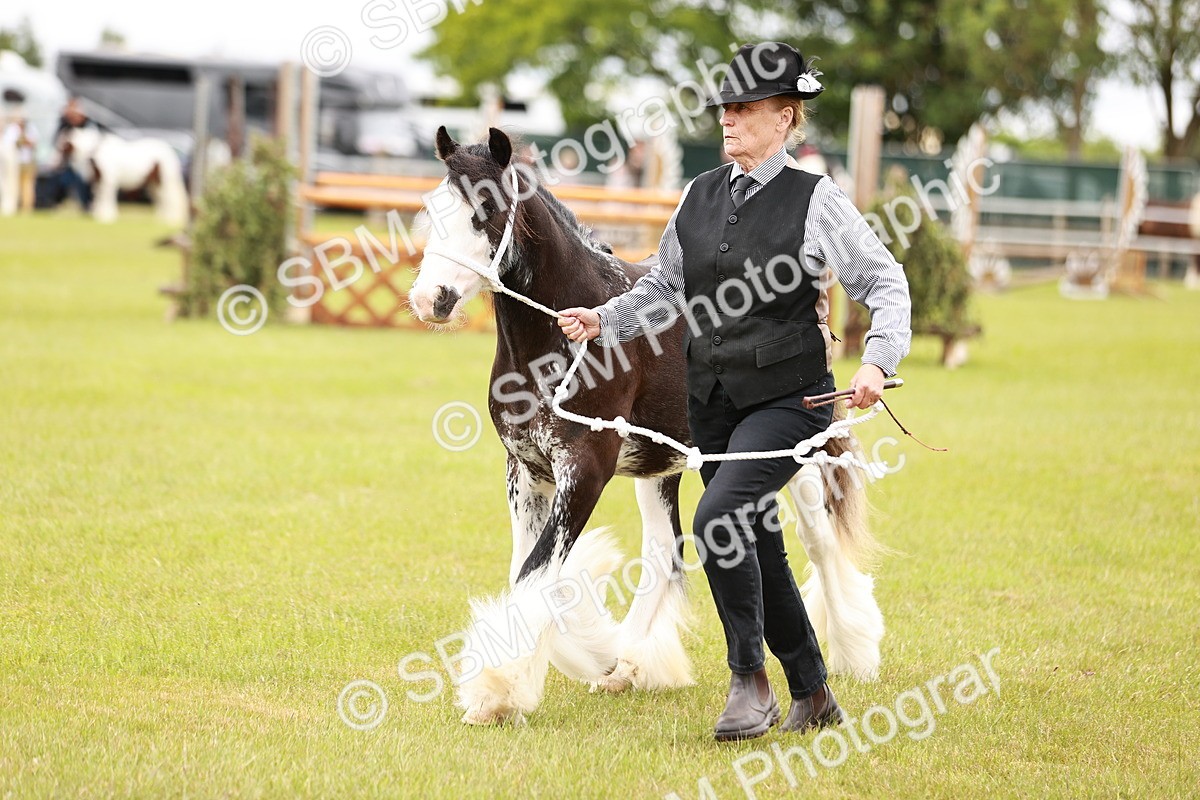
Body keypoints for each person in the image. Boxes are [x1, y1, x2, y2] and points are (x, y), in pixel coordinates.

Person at [558, 42, 911, 741]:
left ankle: (749, 681)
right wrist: (603, 320)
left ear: (784, 119)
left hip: (791, 398)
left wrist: (876, 363)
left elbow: (884, 281)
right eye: (725, 107)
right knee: (757, 537)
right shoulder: (698, 196)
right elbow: (662, 290)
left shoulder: (817, 201)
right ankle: (812, 691)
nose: (729, 119)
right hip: (713, 402)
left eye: (745, 109)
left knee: (718, 516)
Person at [2, 111, 38, 212]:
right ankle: (13, 206)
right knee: (13, 185)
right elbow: (10, 144)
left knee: (27, 186)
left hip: (28, 161)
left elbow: (33, 143)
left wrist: (25, 140)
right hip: (14, 162)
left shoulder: (31, 128)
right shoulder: (12, 129)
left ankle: (26, 208)